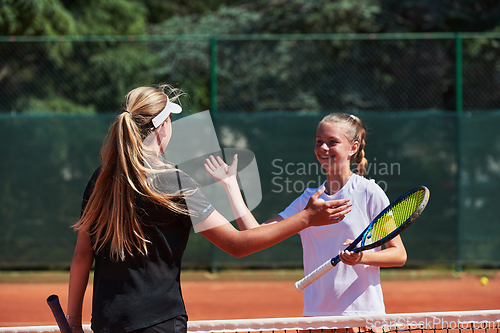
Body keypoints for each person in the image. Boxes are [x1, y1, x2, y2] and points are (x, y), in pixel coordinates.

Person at [66, 84, 352, 333]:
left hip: (106, 322)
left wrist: (74, 321)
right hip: (160, 322)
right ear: (163, 126)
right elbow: (237, 245)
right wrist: (307, 218)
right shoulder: (175, 182)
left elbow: (82, 256)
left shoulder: (101, 178)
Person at [204, 113, 407, 320]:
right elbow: (253, 233)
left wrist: (361, 257)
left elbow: (398, 254)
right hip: (315, 318)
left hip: (362, 317)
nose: (323, 148)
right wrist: (230, 185)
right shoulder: (308, 200)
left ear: (353, 148)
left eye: (332, 142)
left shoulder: (369, 193)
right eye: (319, 142)